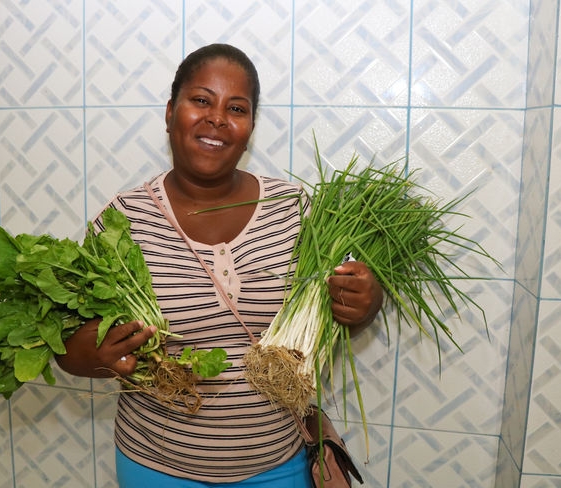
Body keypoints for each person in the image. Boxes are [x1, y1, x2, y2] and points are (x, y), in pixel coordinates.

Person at [56, 43, 383, 488]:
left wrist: (364, 303)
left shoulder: (294, 209)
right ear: (170, 112)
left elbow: (337, 319)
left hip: (279, 465)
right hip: (156, 467)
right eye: (201, 100)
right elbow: (67, 351)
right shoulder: (122, 220)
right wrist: (94, 356)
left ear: (250, 127)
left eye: (237, 108)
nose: (217, 118)